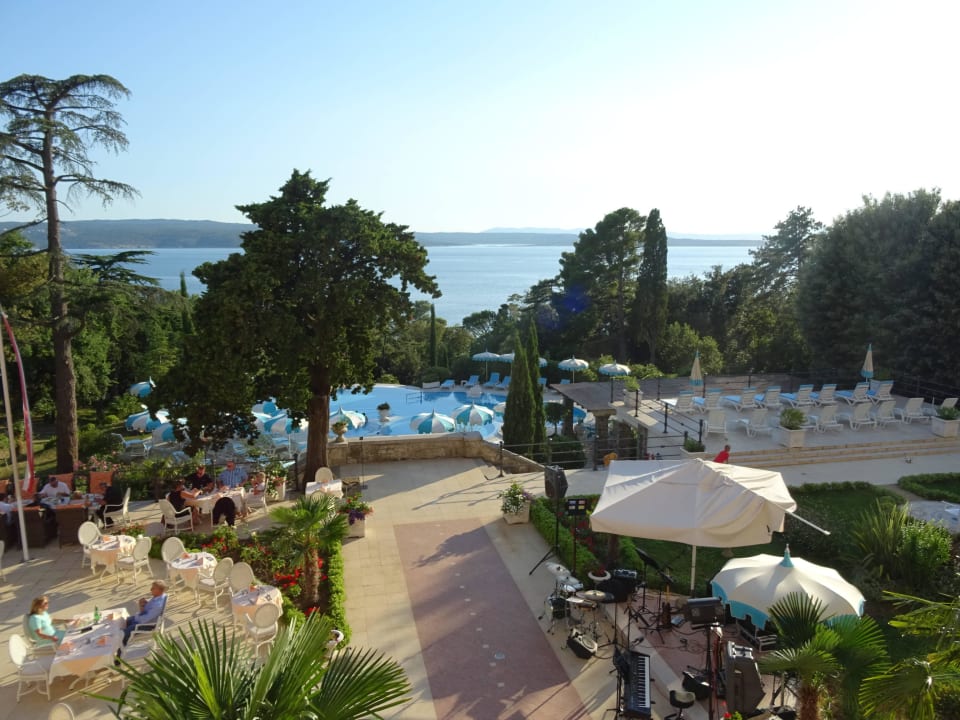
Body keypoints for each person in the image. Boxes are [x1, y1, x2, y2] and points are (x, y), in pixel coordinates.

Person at [123, 580, 168, 645]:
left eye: (153, 588)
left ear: (159, 590)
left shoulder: (158, 605)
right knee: (124, 621)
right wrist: (144, 604)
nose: (151, 589)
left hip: (147, 625)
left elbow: (145, 620)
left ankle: (121, 646)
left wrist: (136, 618)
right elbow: (149, 610)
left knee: (123, 633)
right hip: (144, 619)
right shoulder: (159, 596)